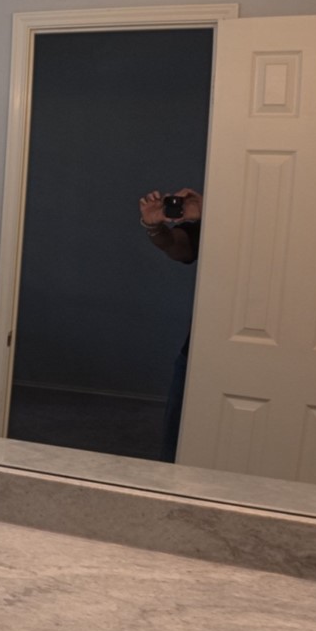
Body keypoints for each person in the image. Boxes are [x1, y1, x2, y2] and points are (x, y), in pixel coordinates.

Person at [138, 188, 201, 461]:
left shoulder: (233, 222)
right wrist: (153, 226)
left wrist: (208, 212)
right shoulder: (204, 228)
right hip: (196, 348)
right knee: (176, 445)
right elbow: (177, 247)